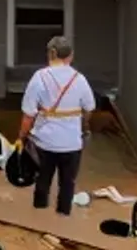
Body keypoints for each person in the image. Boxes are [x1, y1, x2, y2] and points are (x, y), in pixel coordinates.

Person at [16, 36, 96, 216]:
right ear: (71, 56)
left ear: (51, 54)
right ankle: (63, 218)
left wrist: (21, 138)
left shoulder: (39, 77)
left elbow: (28, 115)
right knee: (67, 184)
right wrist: (83, 128)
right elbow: (89, 109)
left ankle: (38, 218)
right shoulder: (79, 79)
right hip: (72, 143)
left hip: (45, 142)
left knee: (42, 181)